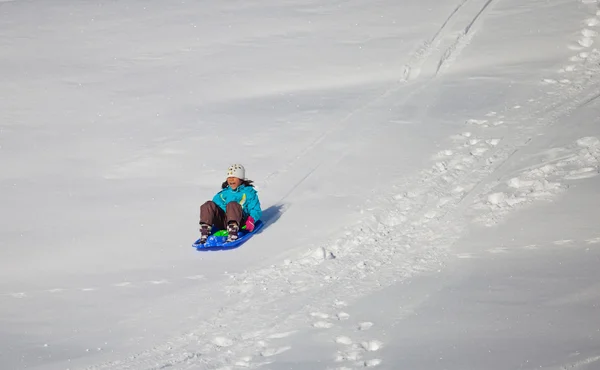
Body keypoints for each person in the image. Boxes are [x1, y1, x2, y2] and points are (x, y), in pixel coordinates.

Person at [199, 164, 262, 244]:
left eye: (234, 177)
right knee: (208, 205)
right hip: (223, 221)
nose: (231, 180)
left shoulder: (249, 193)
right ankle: (205, 230)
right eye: (229, 177)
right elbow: (213, 209)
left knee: (232, 204)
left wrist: (251, 219)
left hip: (240, 221)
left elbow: (256, 209)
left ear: (240, 178)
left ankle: (232, 231)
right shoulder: (223, 193)